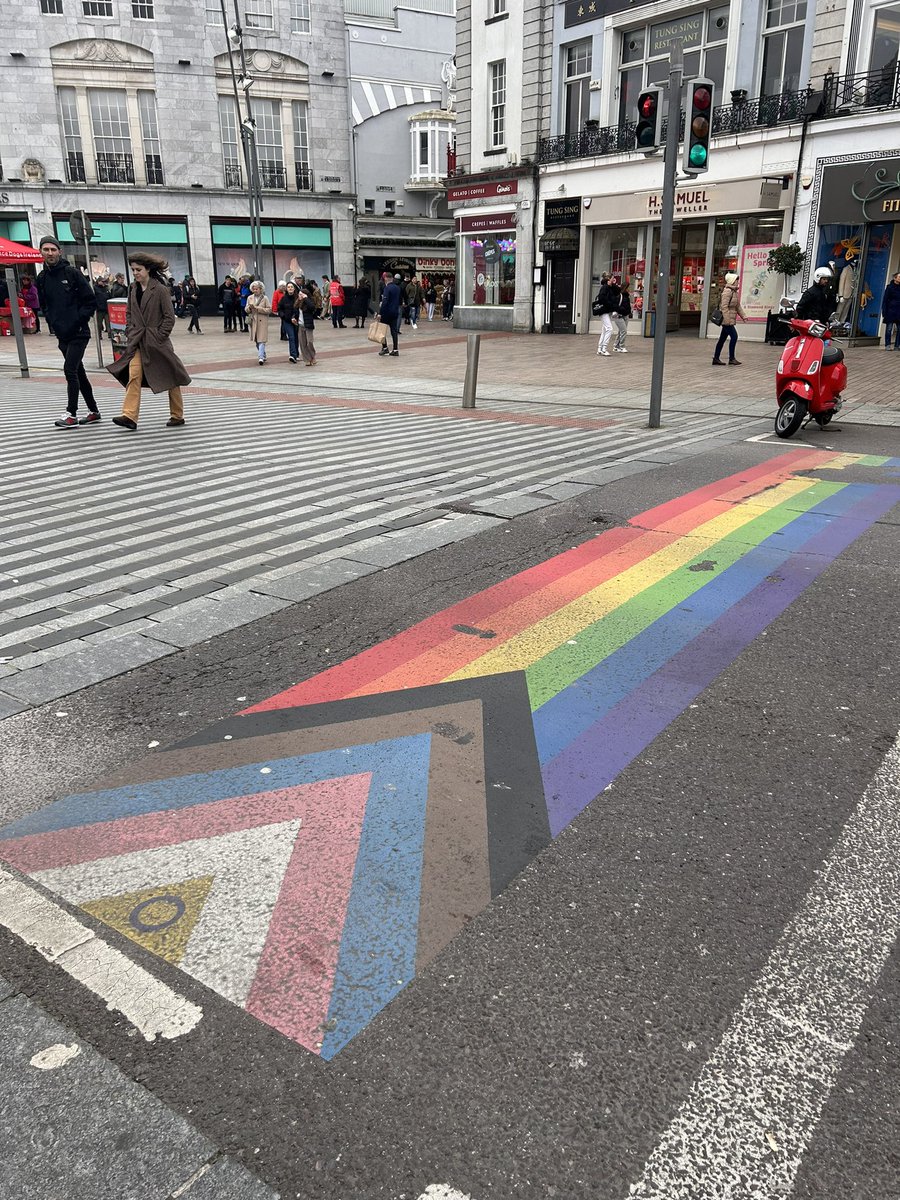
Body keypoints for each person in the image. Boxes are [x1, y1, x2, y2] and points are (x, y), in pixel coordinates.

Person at [108, 251, 191, 430]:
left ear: (148, 269)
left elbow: (170, 317)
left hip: (157, 341)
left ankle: (177, 415)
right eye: (133, 270)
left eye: (138, 269)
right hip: (138, 341)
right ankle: (129, 416)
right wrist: (131, 331)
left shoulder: (160, 289)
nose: (136, 273)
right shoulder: (133, 288)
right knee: (134, 375)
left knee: (171, 376)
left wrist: (159, 336)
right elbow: (129, 313)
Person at [36, 235, 101, 429]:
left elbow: (91, 301)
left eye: (53, 249)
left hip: (79, 332)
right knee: (79, 372)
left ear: (59, 252)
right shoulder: (42, 278)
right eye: (46, 249)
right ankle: (94, 411)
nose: (50, 253)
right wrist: (52, 322)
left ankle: (71, 413)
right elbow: (44, 305)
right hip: (62, 333)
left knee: (69, 369)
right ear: (41, 252)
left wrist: (78, 320)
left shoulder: (71, 273)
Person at [712, 271, 746, 365]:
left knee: (722, 339)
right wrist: (727, 320)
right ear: (732, 281)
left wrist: (744, 316)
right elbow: (724, 306)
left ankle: (716, 358)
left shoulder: (734, 292)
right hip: (727, 320)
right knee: (734, 337)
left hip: (729, 320)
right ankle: (731, 358)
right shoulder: (727, 292)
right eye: (736, 281)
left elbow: (737, 306)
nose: (737, 282)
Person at [595, 274, 622, 357]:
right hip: (604, 310)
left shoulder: (609, 287)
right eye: (612, 279)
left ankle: (600, 348)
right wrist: (610, 305)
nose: (613, 281)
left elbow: (618, 290)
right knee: (609, 329)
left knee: (605, 329)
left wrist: (613, 284)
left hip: (606, 310)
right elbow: (602, 298)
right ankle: (604, 348)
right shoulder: (605, 288)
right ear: (608, 280)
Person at [245, 280, 270, 365]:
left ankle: (261, 357)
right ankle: (263, 353)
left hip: (262, 321)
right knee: (256, 340)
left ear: (261, 289)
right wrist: (250, 308)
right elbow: (246, 309)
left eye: (257, 289)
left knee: (262, 340)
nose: (255, 290)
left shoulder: (265, 298)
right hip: (253, 321)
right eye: (254, 289)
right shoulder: (249, 298)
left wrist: (258, 308)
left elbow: (269, 309)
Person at [378, 272, 403, 356]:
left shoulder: (387, 288)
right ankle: (395, 349)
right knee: (394, 331)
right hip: (395, 312)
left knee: (382, 331)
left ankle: (385, 348)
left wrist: (380, 313)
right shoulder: (397, 288)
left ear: (385, 278)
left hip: (386, 313)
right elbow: (399, 300)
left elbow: (385, 301)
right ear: (392, 278)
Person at [278, 280, 301, 362]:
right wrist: (283, 316)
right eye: (288, 287)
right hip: (287, 321)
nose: (290, 288)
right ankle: (293, 355)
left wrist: (296, 318)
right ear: (286, 289)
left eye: (291, 287)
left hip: (296, 321)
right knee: (291, 337)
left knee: (296, 338)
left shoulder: (297, 298)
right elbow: (279, 309)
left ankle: (296, 353)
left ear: (294, 288)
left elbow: (299, 309)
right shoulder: (284, 298)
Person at [296, 285, 318, 366]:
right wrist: (293, 318)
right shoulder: (297, 303)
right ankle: (307, 359)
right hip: (300, 325)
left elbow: (312, 307)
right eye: (299, 294)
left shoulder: (309, 302)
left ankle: (313, 356)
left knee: (309, 342)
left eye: (302, 294)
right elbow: (294, 312)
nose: (300, 296)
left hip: (308, 325)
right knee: (303, 343)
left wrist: (306, 299)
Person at [880, 271, 900, 350]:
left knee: (899, 330)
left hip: (899, 311)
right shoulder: (889, 287)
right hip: (890, 311)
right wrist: (884, 311)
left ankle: (897, 346)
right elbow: (885, 300)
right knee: (889, 329)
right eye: (899, 277)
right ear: (895, 278)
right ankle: (887, 345)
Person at [613, 278, 631, 354]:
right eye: (628, 287)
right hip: (619, 315)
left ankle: (616, 346)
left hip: (625, 315)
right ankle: (621, 346)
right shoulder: (619, 295)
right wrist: (621, 310)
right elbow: (616, 305)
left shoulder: (626, 295)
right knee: (624, 331)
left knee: (621, 331)